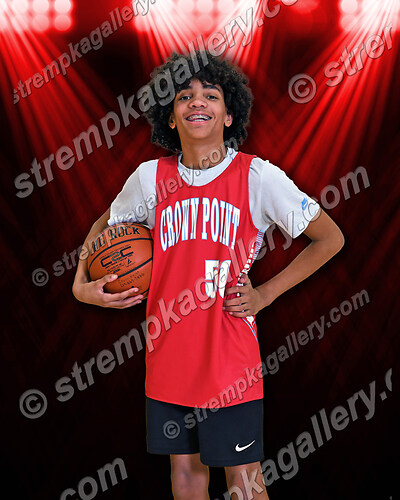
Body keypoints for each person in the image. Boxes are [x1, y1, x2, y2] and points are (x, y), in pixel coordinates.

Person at [72, 50, 344, 500]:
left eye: (210, 95)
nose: (196, 101)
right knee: (186, 474)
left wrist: (265, 294)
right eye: (184, 96)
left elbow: (330, 238)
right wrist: (81, 285)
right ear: (170, 116)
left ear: (229, 114)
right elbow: (104, 226)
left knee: (244, 480)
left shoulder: (256, 176)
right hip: (168, 355)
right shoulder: (149, 179)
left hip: (229, 361)